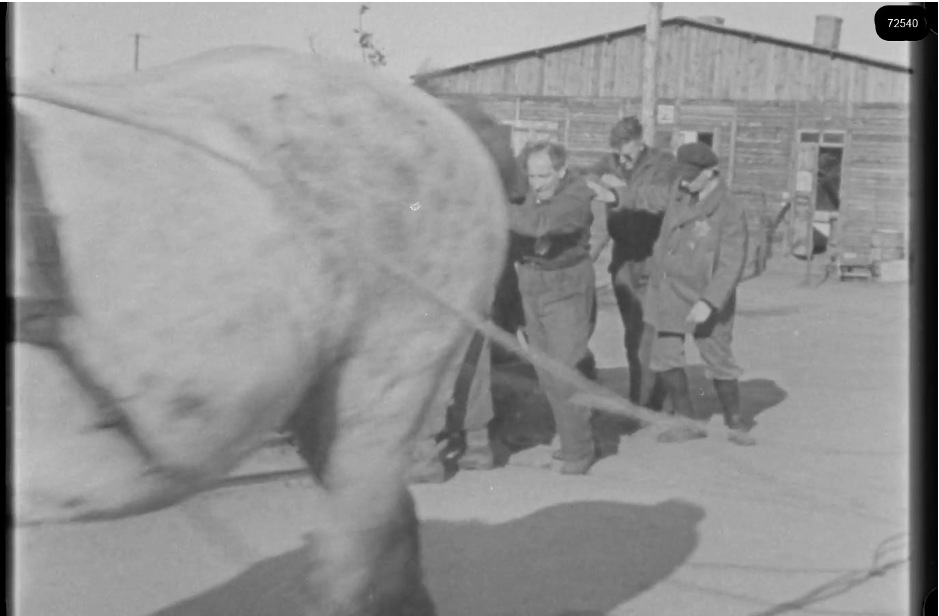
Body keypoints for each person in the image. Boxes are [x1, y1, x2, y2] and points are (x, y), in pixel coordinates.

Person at [586, 142, 755, 446]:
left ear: (711, 173)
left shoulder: (729, 209)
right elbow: (649, 197)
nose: (686, 180)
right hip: (668, 290)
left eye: (692, 175)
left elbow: (732, 263)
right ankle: (688, 422)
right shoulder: (679, 189)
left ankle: (735, 422)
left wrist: (710, 301)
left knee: (717, 359)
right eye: (683, 174)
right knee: (665, 357)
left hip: (706, 296)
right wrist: (615, 196)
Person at [507, 140, 600, 474]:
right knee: (546, 373)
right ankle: (572, 437)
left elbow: (540, 224)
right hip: (532, 283)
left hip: (566, 285)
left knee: (565, 369)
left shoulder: (578, 196)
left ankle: (580, 450)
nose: (537, 183)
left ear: (561, 171)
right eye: (532, 176)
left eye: (545, 175)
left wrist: (491, 204)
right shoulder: (529, 196)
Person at [578, 117, 672, 412]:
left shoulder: (663, 164)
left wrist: (621, 192)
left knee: (650, 334)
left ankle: (653, 402)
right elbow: (585, 177)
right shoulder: (611, 162)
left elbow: (663, 199)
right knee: (633, 335)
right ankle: (642, 400)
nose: (621, 158)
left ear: (640, 141)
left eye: (626, 151)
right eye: (616, 151)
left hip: (654, 258)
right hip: (623, 259)